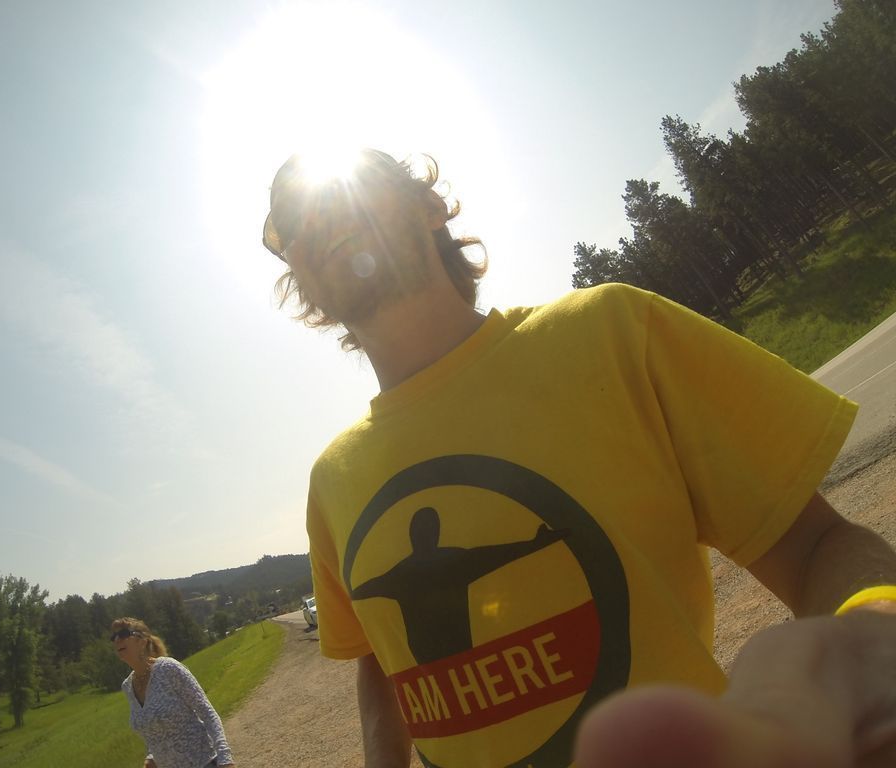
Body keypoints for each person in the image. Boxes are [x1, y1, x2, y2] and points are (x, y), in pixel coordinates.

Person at [260, 148, 896, 768]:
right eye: (292, 224)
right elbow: (380, 655)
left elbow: (815, 545)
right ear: (302, 283)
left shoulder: (612, 332)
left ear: (428, 206)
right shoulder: (331, 482)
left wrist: (872, 633)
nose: (319, 218)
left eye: (351, 188)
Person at [112, 617, 235, 768]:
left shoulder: (168, 669)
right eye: (113, 636)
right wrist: (151, 757)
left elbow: (207, 712)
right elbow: (153, 729)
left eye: (123, 634)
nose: (116, 640)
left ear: (142, 641)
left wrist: (225, 759)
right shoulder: (128, 687)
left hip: (203, 762)